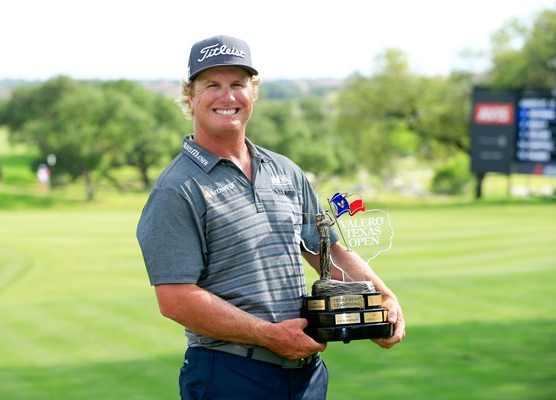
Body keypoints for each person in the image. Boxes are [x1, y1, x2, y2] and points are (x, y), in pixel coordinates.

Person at [136, 35, 405, 400]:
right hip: (230, 375)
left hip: (306, 375)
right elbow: (176, 298)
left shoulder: (285, 171)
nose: (227, 97)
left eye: (238, 84)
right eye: (212, 85)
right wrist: (268, 335)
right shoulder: (177, 188)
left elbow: (329, 252)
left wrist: (383, 300)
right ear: (190, 96)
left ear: (253, 92)